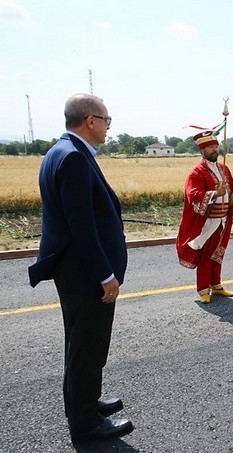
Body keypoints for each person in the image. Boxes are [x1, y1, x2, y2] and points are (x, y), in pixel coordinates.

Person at [28, 94, 134, 442]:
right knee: (87, 345)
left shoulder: (61, 150)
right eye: (106, 120)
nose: (107, 127)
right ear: (90, 120)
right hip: (85, 274)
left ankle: (84, 402)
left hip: (74, 271)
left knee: (82, 344)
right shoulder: (74, 157)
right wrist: (105, 275)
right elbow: (82, 226)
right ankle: (86, 423)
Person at [176, 130, 233, 303]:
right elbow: (193, 194)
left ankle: (216, 284)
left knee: (219, 253)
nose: (214, 150)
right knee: (206, 254)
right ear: (202, 151)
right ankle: (203, 288)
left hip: (224, 219)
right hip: (208, 221)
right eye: (210, 147)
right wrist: (214, 194)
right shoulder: (196, 172)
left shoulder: (223, 168)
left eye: (216, 146)